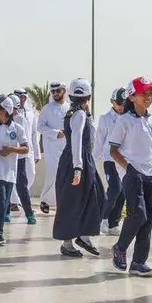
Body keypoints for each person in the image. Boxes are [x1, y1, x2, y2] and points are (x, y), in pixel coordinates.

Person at [108, 76, 152, 277]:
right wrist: (128, 168)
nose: (148, 97)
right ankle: (120, 248)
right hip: (133, 173)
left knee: (148, 221)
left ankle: (139, 262)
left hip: (151, 174)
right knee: (138, 214)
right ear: (132, 96)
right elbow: (113, 150)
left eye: (151, 93)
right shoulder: (124, 121)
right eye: (144, 93)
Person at [53, 78, 105, 257]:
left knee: (82, 198)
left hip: (76, 159)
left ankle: (80, 238)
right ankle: (72, 242)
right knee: (89, 198)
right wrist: (78, 167)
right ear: (89, 96)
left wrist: (89, 115)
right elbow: (77, 138)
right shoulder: (79, 114)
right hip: (78, 160)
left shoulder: (74, 112)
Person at [0, 96, 29, 246]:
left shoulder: (17, 128)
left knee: (4, 205)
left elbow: (26, 148)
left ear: (4, 110)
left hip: (10, 173)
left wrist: (12, 149)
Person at [94, 88, 126, 235]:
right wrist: (95, 157)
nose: (121, 106)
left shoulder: (128, 117)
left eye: (124, 103)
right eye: (119, 103)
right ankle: (102, 219)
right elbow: (99, 139)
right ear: (112, 101)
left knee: (123, 192)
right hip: (109, 158)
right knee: (114, 189)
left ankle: (114, 223)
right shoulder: (105, 118)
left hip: (124, 160)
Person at [37, 82, 70, 214]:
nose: (55, 93)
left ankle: (62, 202)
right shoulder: (47, 109)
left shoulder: (70, 108)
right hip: (51, 147)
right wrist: (56, 133)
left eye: (58, 91)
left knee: (66, 175)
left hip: (67, 147)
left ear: (64, 91)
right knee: (53, 173)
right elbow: (40, 126)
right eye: (53, 91)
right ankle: (45, 200)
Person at [9, 88, 40, 219]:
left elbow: (34, 134)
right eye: (18, 97)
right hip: (14, 152)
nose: (20, 99)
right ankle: (14, 202)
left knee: (30, 175)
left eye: (22, 97)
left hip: (28, 151)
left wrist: (37, 153)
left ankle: (19, 200)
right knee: (14, 179)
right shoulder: (9, 114)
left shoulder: (31, 113)